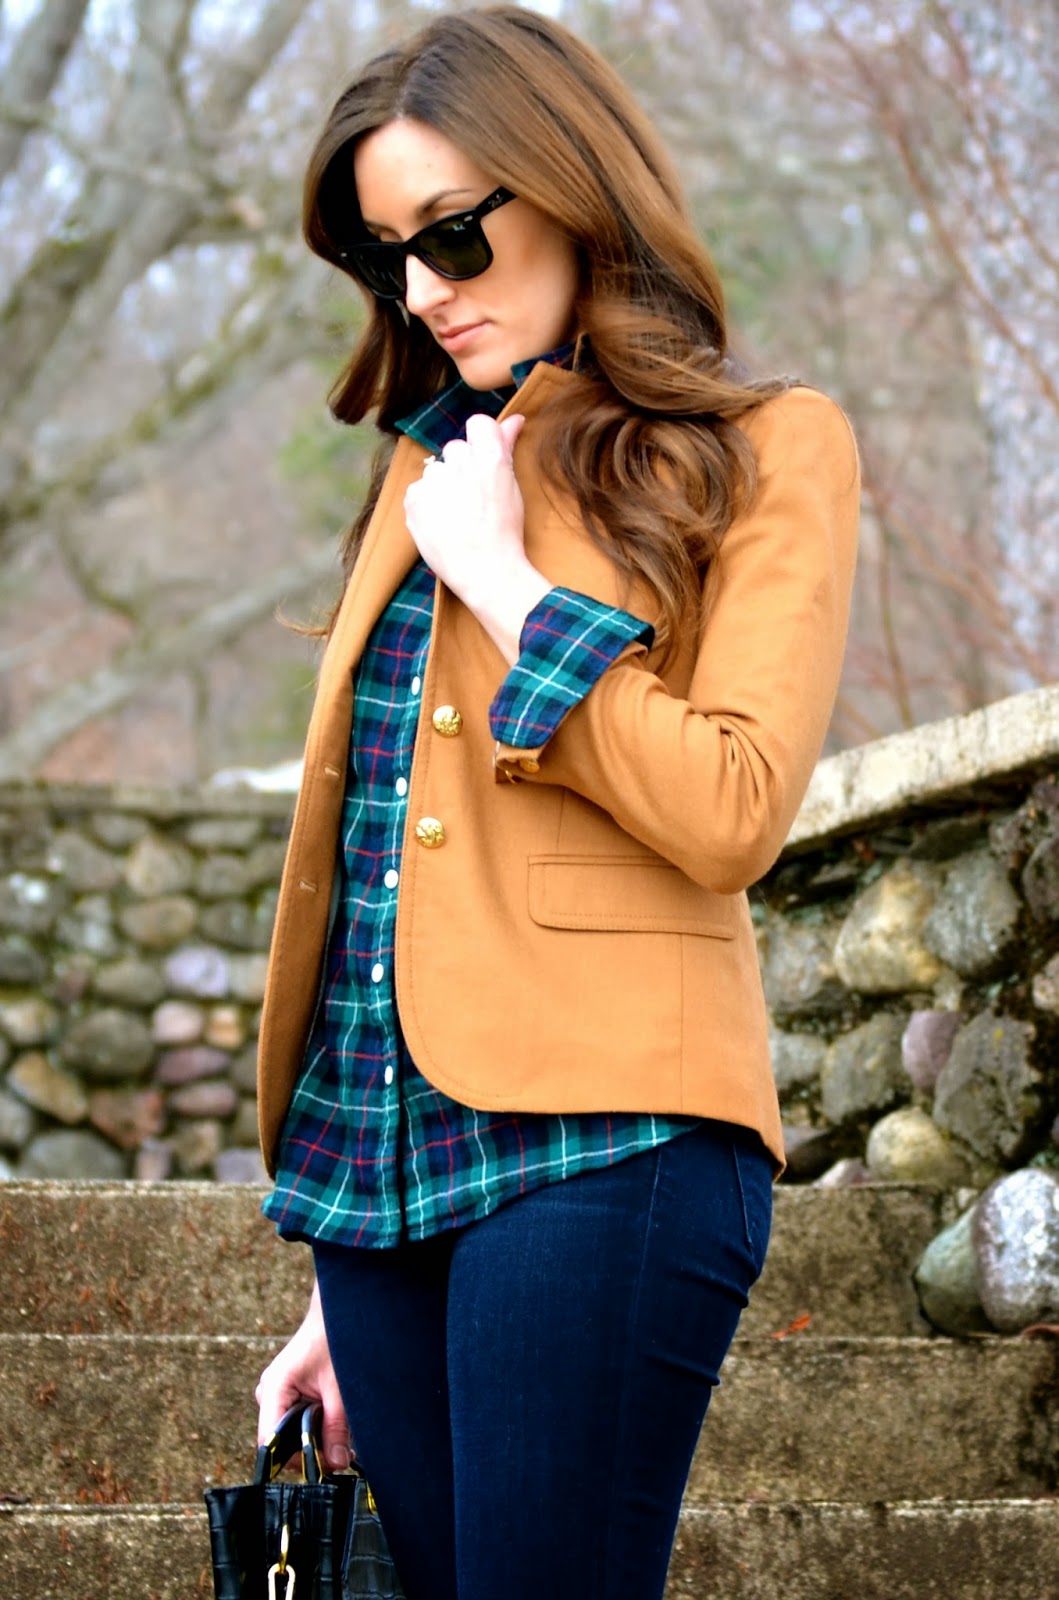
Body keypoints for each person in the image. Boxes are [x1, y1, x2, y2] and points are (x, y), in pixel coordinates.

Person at [253, 7, 859, 1598]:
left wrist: (517, 593)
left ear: (573, 186)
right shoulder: (426, 467)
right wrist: (344, 1264)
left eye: (452, 232)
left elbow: (735, 805)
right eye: (388, 253)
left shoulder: (764, 450)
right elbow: (394, 854)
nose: (422, 288)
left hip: (614, 1135)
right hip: (383, 1183)